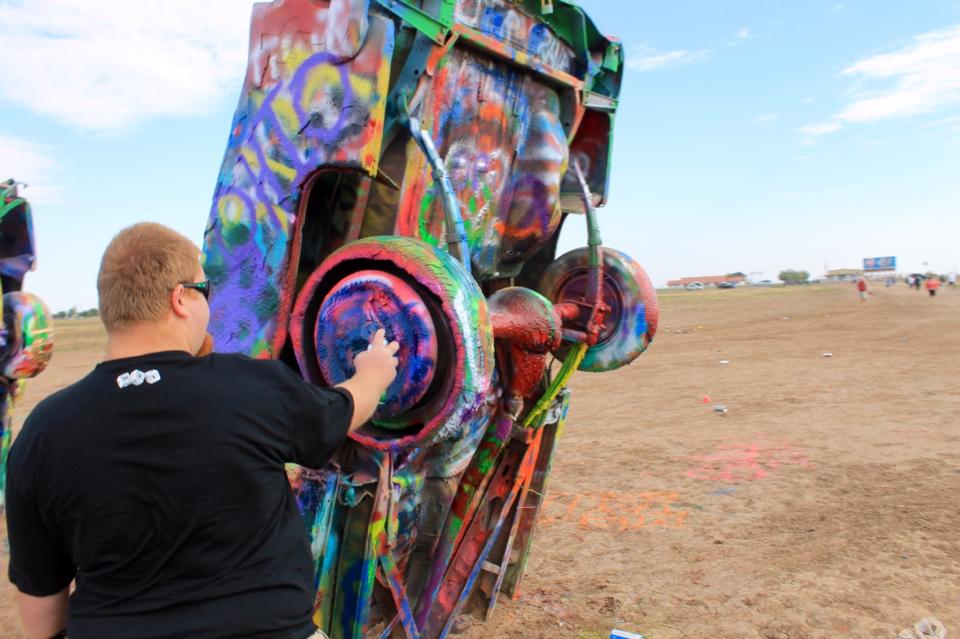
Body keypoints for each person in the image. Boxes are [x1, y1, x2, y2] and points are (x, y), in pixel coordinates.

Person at [5, 222, 400, 639]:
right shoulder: (251, 386)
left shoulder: (42, 432)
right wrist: (373, 374)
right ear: (181, 298)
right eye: (205, 291)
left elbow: (42, 616)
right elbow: (342, 411)